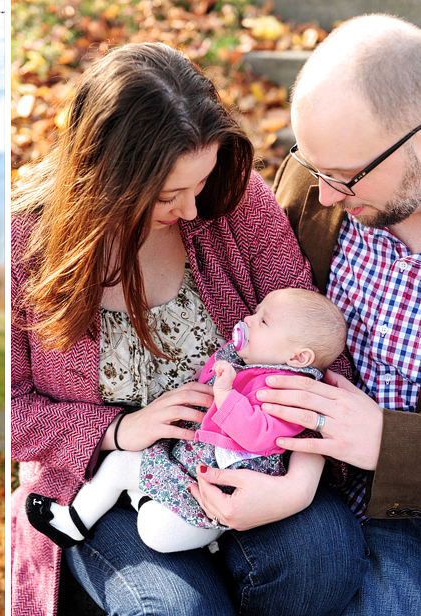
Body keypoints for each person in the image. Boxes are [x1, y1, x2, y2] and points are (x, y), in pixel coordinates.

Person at [11, 42, 366, 616]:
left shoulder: (238, 203)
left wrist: (295, 486)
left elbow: (321, 361)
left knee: (323, 556)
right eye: (168, 195)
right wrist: (120, 430)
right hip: (116, 489)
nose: (195, 210)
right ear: (103, 176)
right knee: (176, 607)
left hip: (254, 464)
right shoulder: (27, 245)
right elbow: (12, 410)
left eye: (198, 185)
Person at [267, 14, 421, 614]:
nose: (327, 194)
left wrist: (391, 442)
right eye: (315, 167)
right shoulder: (313, 193)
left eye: (347, 176)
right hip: (302, 493)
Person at [26, 288, 347, 553]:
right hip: (181, 460)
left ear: (298, 358)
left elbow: (260, 434)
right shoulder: (254, 362)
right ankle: (72, 522)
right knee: (120, 464)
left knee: (155, 532)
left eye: (262, 320)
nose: (247, 318)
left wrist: (225, 393)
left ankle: (199, 532)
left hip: (211, 490)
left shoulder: (287, 391)